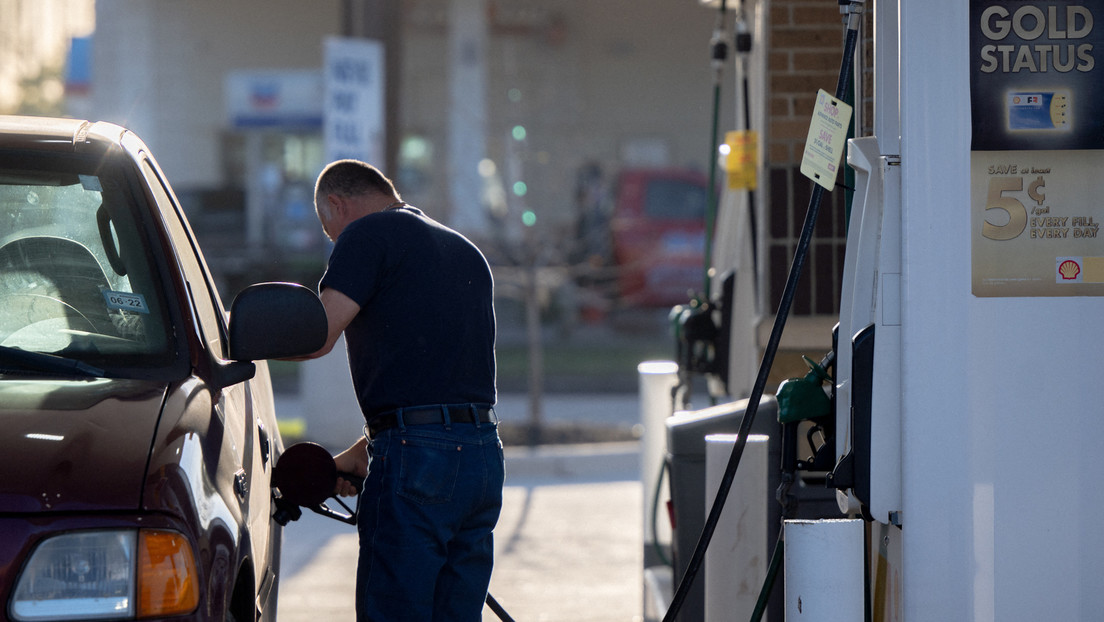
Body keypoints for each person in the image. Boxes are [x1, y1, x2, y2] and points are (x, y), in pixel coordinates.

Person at [294, 159, 503, 621]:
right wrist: (363, 453)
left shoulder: (366, 235)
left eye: (329, 229)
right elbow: (437, 390)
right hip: (483, 460)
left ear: (336, 203)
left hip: (416, 463)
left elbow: (317, 334)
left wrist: (232, 339)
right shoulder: (463, 249)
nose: (333, 239)